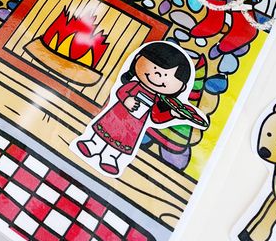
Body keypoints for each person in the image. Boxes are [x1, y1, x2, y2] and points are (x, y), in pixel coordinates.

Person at [76, 41, 208, 176]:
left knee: (120, 143)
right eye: (155, 69)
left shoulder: (159, 100)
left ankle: (110, 158)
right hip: (116, 116)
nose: (157, 76)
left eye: (166, 76)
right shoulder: (134, 85)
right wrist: (127, 100)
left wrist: (172, 113)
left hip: (133, 127)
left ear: (181, 87)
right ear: (138, 60)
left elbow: (156, 117)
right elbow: (121, 91)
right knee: (105, 131)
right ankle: (92, 145)